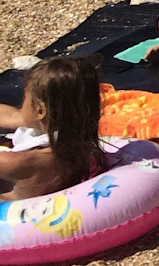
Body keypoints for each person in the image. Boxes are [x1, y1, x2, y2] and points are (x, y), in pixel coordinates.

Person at [0, 57, 104, 202]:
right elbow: (11, 116)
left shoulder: (21, 161)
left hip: (14, 212)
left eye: (24, 98)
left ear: (40, 110)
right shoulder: (75, 138)